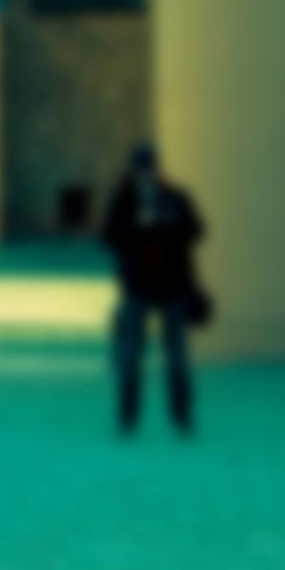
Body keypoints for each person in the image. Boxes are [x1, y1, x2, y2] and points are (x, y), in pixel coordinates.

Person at [100, 141, 206, 433]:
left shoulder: (174, 197)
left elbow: (196, 230)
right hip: (138, 286)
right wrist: (135, 225)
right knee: (132, 355)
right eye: (140, 170)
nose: (145, 176)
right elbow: (109, 237)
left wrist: (168, 223)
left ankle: (181, 417)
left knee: (177, 356)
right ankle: (128, 418)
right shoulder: (124, 200)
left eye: (148, 169)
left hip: (172, 285)